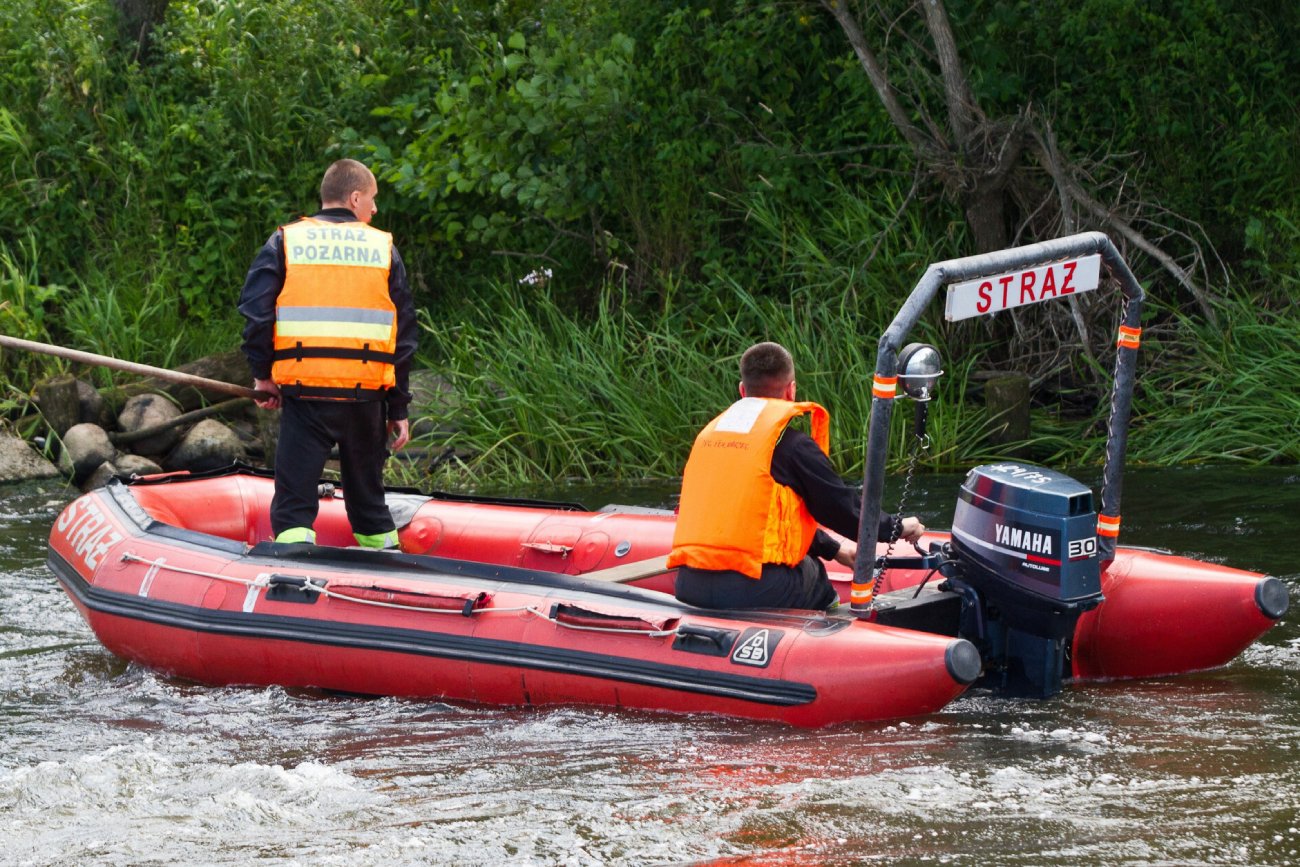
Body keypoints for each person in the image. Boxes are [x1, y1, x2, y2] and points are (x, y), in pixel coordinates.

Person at [238, 158, 418, 548]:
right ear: (354, 197)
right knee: (370, 507)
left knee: (293, 509)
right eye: (372, 199)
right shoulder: (383, 248)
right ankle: (388, 580)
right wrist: (398, 407)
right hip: (365, 402)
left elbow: (256, 314)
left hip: (306, 397)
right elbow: (402, 336)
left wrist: (262, 374)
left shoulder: (286, 241)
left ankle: (291, 586)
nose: (375, 209)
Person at [668, 341, 923, 610]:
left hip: (688, 584)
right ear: (792, 391)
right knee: (813, 574)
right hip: (753, 587)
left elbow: (758, 522)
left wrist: (833, 549)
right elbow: (840, 508)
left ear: (743, 391)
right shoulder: (794, 447)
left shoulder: (708, 437)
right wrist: (897, 527)